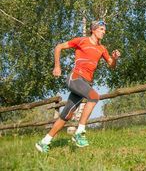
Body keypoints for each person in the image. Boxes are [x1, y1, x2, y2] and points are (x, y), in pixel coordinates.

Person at [35, 20, 121, 153]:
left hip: (85, 83)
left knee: (66, 115)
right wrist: (57, 66)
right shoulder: (81, 41)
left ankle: (44, 142)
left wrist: (115, 58)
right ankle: (80, 132)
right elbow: (58, 47)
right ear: (93, 29)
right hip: (75, 78)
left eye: (104, 30)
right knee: (94, 96)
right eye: (101, 29)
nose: (104, 32)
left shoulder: (102, 48)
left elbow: (111, 65)